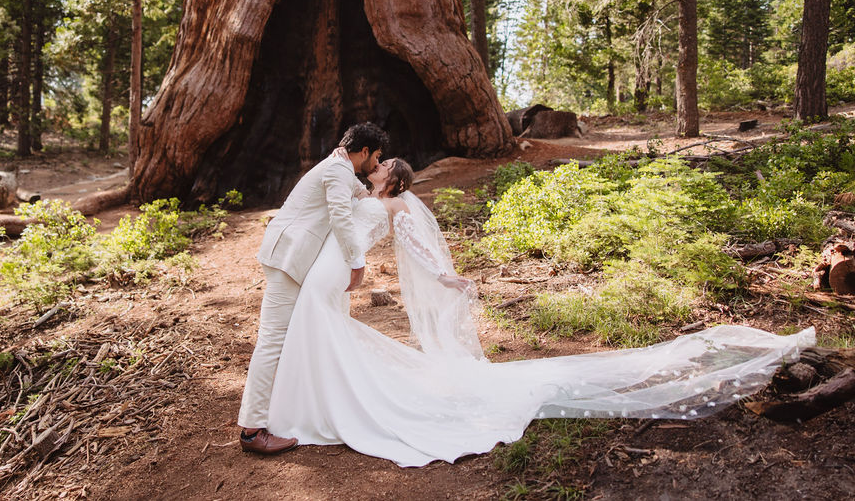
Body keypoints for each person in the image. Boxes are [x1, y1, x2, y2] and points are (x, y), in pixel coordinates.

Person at [263, 158, 816, 467]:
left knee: (332, 336)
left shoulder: (396, 205)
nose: (375, 167)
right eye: (376, 162)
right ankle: (312, 397)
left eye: (382, 167)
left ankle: (321, 402)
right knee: (330, 335)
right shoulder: (360, 195)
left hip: (333, 276)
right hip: (324, 275)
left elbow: (419, 248)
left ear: (395, 180)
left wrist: (446, 275)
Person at [237, 122, 389, 454]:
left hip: (291, 257)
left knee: (284, 338)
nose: (377, 164)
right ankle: (252, 432)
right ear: (363, 151)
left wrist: (385, 188)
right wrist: (356, 261)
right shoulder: (337, 169)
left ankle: (278, 411)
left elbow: (361, 197)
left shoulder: (340, 168)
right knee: (272, 341)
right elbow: (340, 215)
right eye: (376, 156)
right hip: (287, 258)